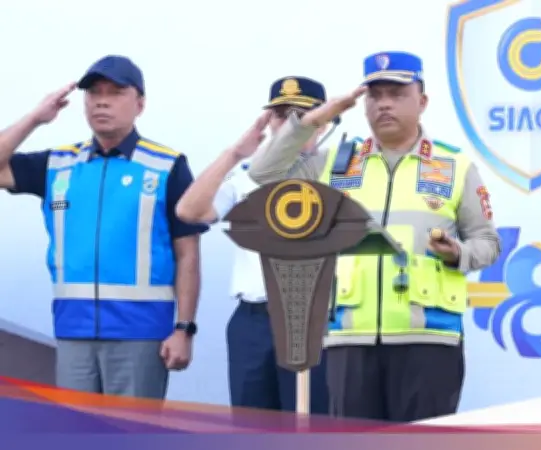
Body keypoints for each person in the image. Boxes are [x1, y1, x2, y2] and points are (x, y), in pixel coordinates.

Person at [243, 51, 501, 422]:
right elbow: (263, 173)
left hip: (429, 339)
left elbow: (487, 243)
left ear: (422, 102)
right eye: (375, 95)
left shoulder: (454, 165)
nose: (384, 104)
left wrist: (457, 252)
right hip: (350, 339)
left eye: (396, 94)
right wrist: (315, 118)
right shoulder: (334, 163)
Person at [0, 55, 207, 398]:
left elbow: (188, 254)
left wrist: (184, 329)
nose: (102, 101)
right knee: (76, 426)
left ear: (140, 104)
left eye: (115, 92)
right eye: (94, 93)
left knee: (129, 428)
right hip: (73, 328)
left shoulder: (167, 167)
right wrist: (36, 118)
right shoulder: (58, 164)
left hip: (141, 332)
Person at [175, 76, 333, 414]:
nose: (290, 126)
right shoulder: (247, 175)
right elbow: (190, 211)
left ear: (323, 123)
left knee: (310, 427)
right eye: (281, 115)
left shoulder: (339, 172)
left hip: (312, 320)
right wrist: (234, 154)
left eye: (301, 116)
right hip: (253, 321)